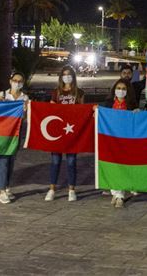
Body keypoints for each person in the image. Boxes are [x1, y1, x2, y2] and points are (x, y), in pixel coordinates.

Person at [45, 66, 85, 203]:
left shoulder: (79, 92)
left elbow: (83, 111)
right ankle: (52, 189)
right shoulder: (56, 92)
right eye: (64, 74)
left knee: (71, 162)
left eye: (69, 74)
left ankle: (71, 190)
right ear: (61, 77)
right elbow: (50, 109)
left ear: (73, 76)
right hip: (58, 132)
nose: (67, 77)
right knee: (55, 161)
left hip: (72, 132)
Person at [103, 77, 139, 207]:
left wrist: (137, 114)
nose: (121, 91)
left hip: (126, 141)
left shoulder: (131, 106)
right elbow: (102, 117)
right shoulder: (108, 104)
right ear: (114, 90)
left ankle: (120, 195)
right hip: (111, 140)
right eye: (118, 88)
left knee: (123, 167)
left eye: (124, 89)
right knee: (113, 167)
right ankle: (116, 193)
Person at [0, 72, 29, 204]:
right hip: (2, 133)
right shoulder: (2, 95)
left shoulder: (24, 98)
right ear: (10, 81)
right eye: (15, 80)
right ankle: (2, 190)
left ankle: (7, 187)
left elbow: (24, 118)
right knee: (3, 160)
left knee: (11, 160)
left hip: (16, 132)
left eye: (20, 81)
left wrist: (25, 111)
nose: (17, 83)